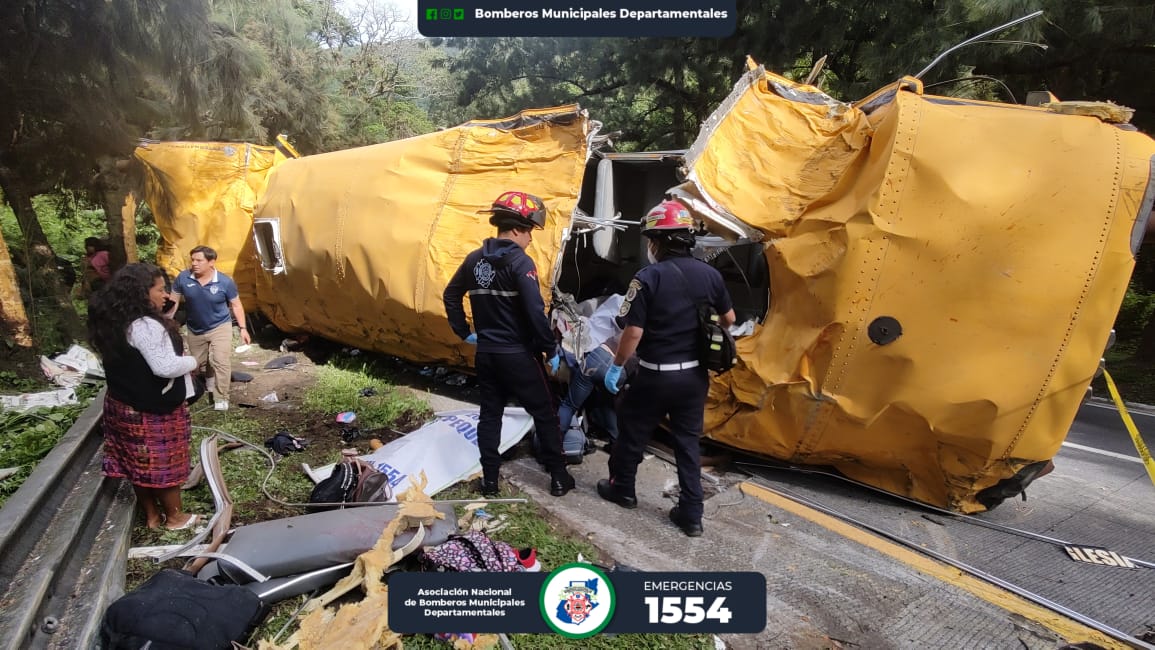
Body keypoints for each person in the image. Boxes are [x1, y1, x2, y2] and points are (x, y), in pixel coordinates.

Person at [597, 199, 735, 537]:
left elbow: (633, 332)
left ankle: (623, 489)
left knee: (632, 433)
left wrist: (616, 366)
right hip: (693, 378)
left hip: (654, 375)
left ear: (659, 241)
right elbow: (729, 320)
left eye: (651, 240)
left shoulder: (647, 278)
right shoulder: (711, 275)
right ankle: (691, 514)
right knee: (687, 442)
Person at [443, 190, 576, 498]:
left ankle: (490, 481)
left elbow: (451, 295)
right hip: (518, 356)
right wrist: (550, 348)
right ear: (516, 228)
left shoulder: (474, 260)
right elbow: (534, 311)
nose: (531, 238)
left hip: (487, 355)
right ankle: (558, 477)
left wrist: (464, 332)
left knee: (491, 415)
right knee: (545, 413)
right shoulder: (521, 263)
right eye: (530, 230)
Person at [88, 263, 202, 530]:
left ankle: (151, 517)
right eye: (160, 289)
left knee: (137, 462)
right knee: (164, 462)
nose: (166, 295)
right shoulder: (146, 326)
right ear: (140, 292)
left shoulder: (113, 319)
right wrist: (192, 362)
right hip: (152, 409)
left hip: (121, 404)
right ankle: (175, 518)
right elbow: (164, 367)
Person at [165, 245, 250, 411]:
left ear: (211, 262)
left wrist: (243, 328)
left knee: (220, 360)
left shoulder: (225, 282)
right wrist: (166, 320)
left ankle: (221, 397)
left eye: (199, 260)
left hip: (220, 325)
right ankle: (209, 380)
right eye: (193, 260)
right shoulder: (183, 278)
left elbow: (236, 305)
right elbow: (173, 302)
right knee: (198, 363)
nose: (194, 263)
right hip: (195, 327)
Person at [555, 293, 626, 450]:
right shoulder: (653, 317)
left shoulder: (619, 301)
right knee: (607, 404)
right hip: (618, 369)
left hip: (597, 357)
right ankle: (616, 445)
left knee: (569, 405)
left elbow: (594, 326)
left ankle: (553, 448)